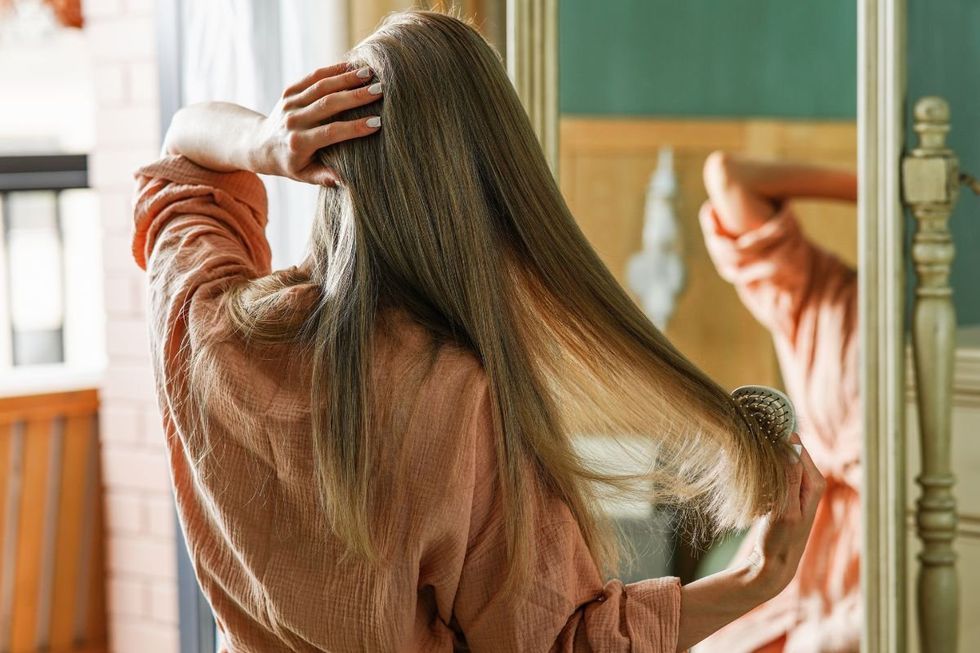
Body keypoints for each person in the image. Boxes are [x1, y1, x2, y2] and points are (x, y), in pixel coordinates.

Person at [131, 11, 824, 652]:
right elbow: (555, 643)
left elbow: (182, 158)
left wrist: (260, 143)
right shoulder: (458, 399)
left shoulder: (212, 331)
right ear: (492, 190)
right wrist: (755, 578)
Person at [695, 153, 860, 653]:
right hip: (798, 550)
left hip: (879, 570)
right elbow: (728, 177)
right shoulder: (822, 296)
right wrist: (881, 188)